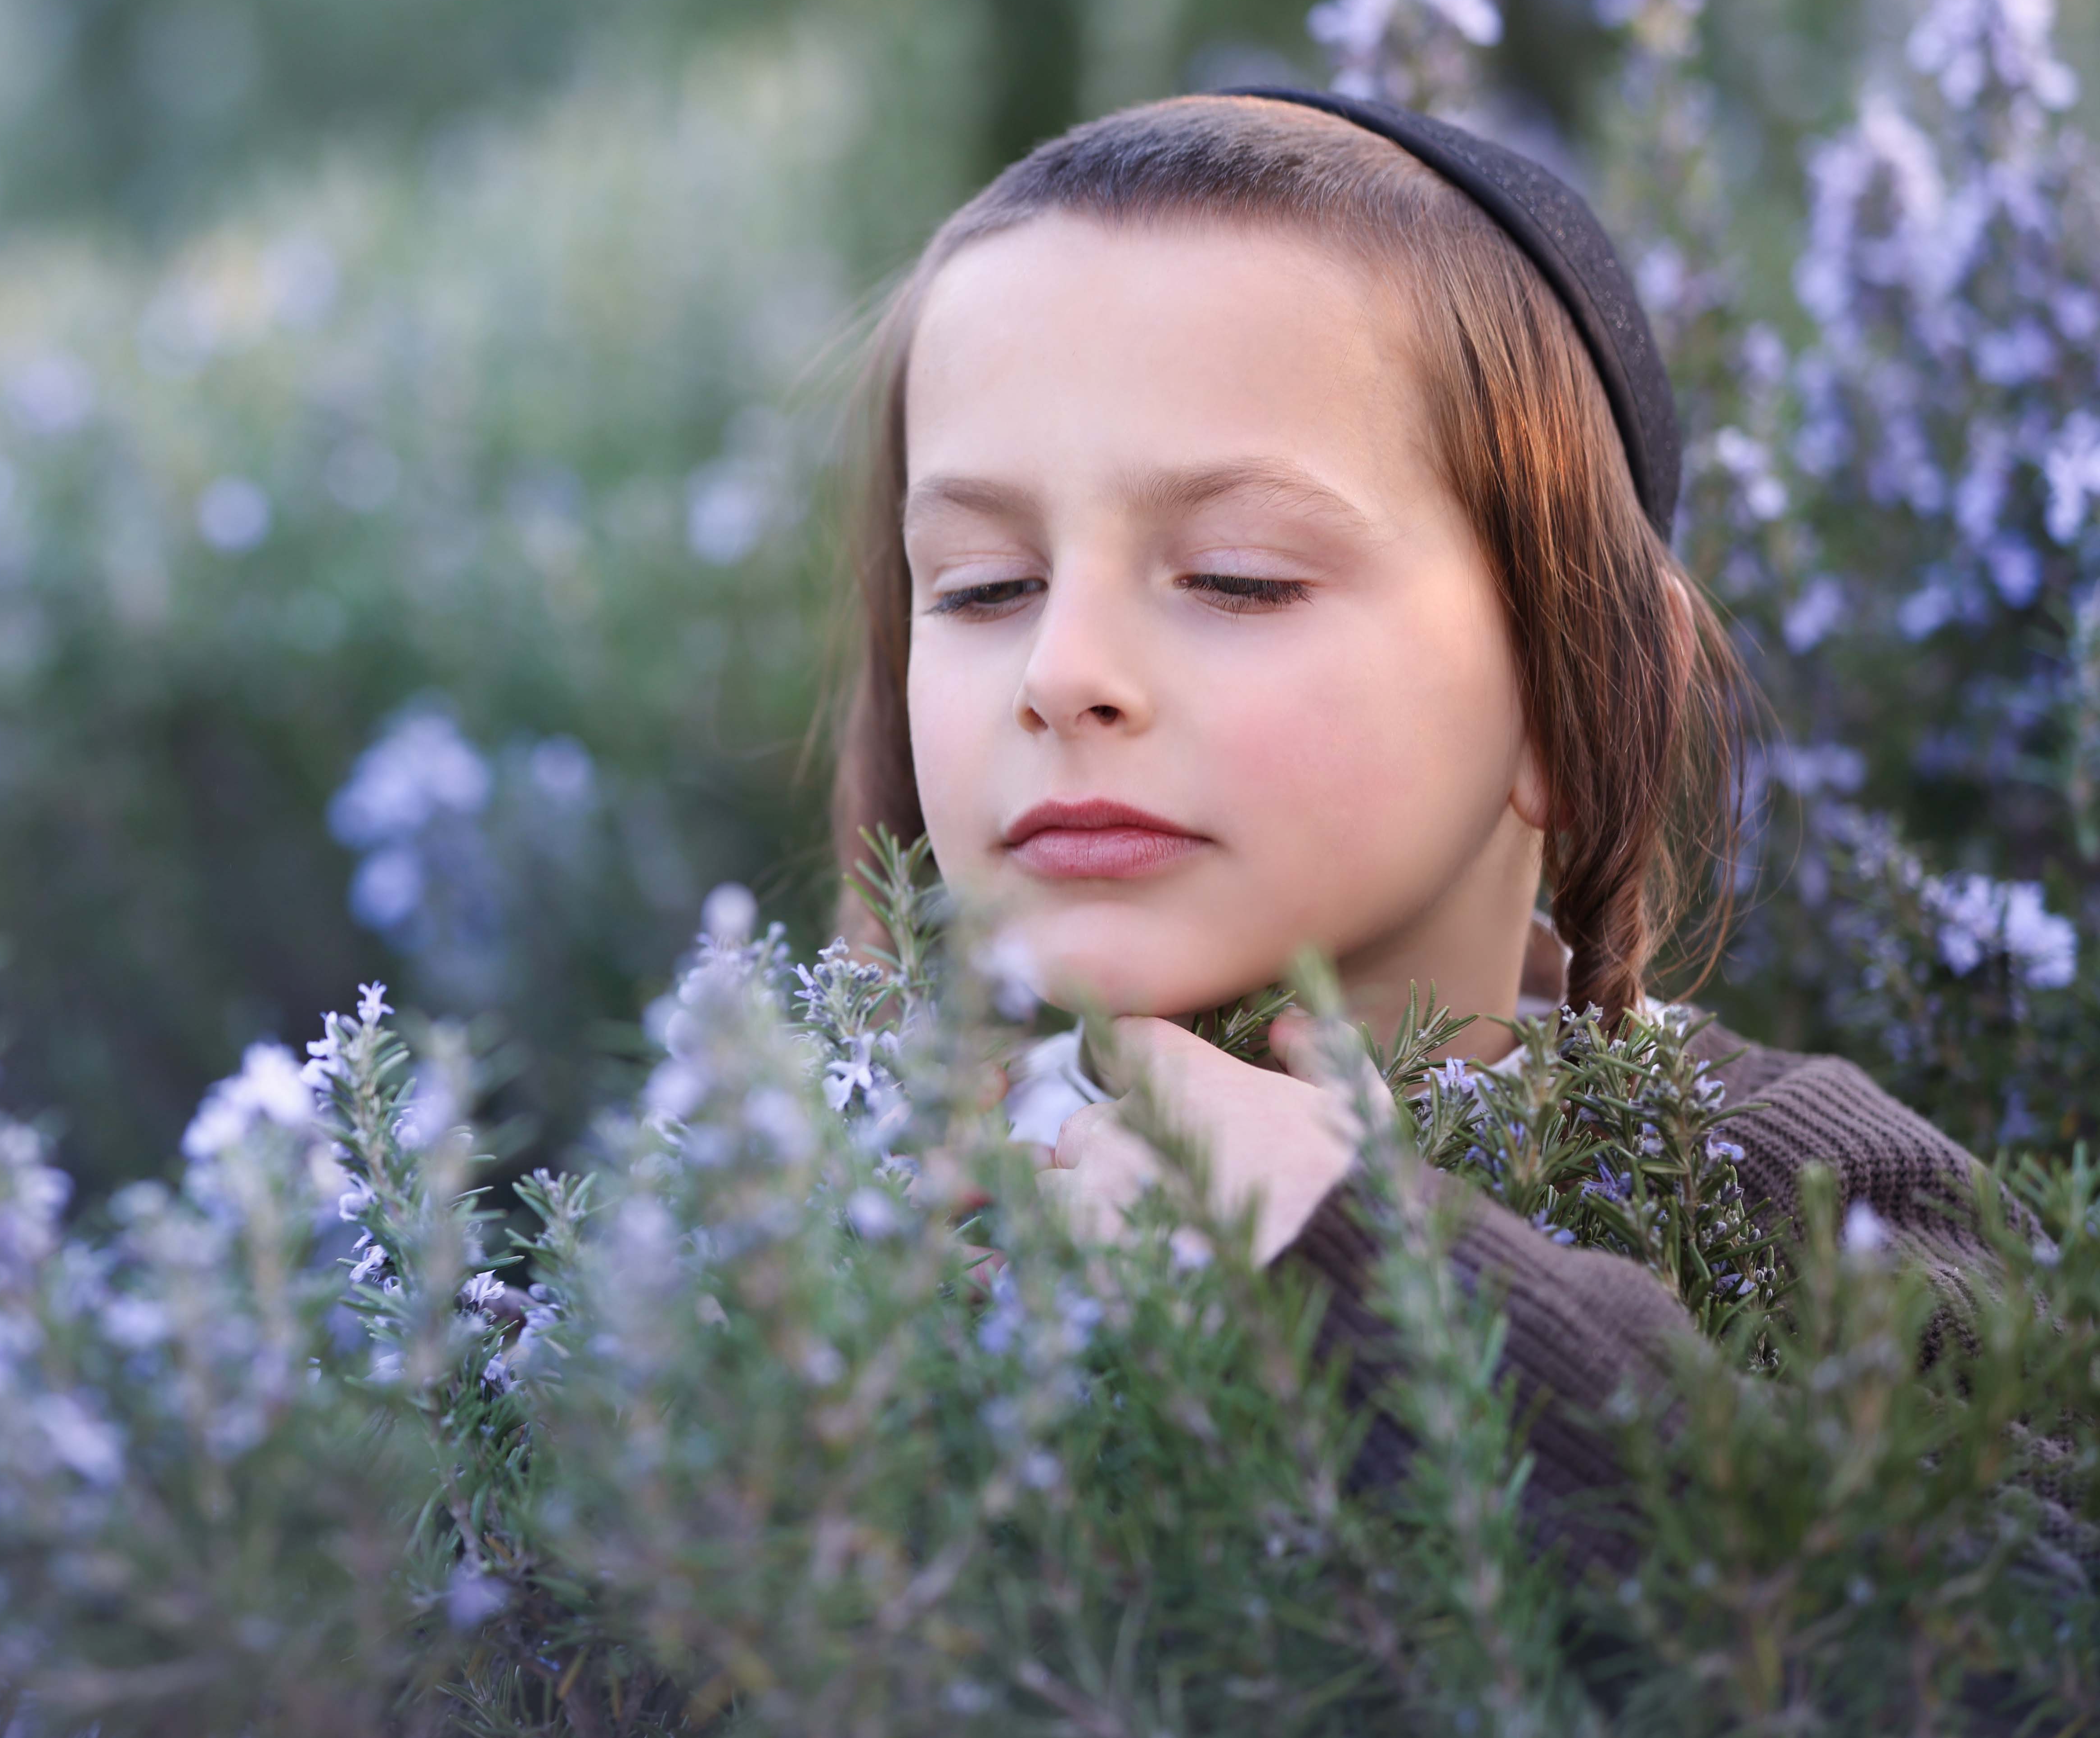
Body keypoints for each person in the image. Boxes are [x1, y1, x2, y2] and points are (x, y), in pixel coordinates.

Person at [828, 90, 2003, 1558]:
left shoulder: (1810, 1194)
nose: (1062, 671)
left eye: (1238, 576)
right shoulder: (811, 1218)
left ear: (1570, 697)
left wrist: (1367, 1272)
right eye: (984, 583)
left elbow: (2003, 1626)